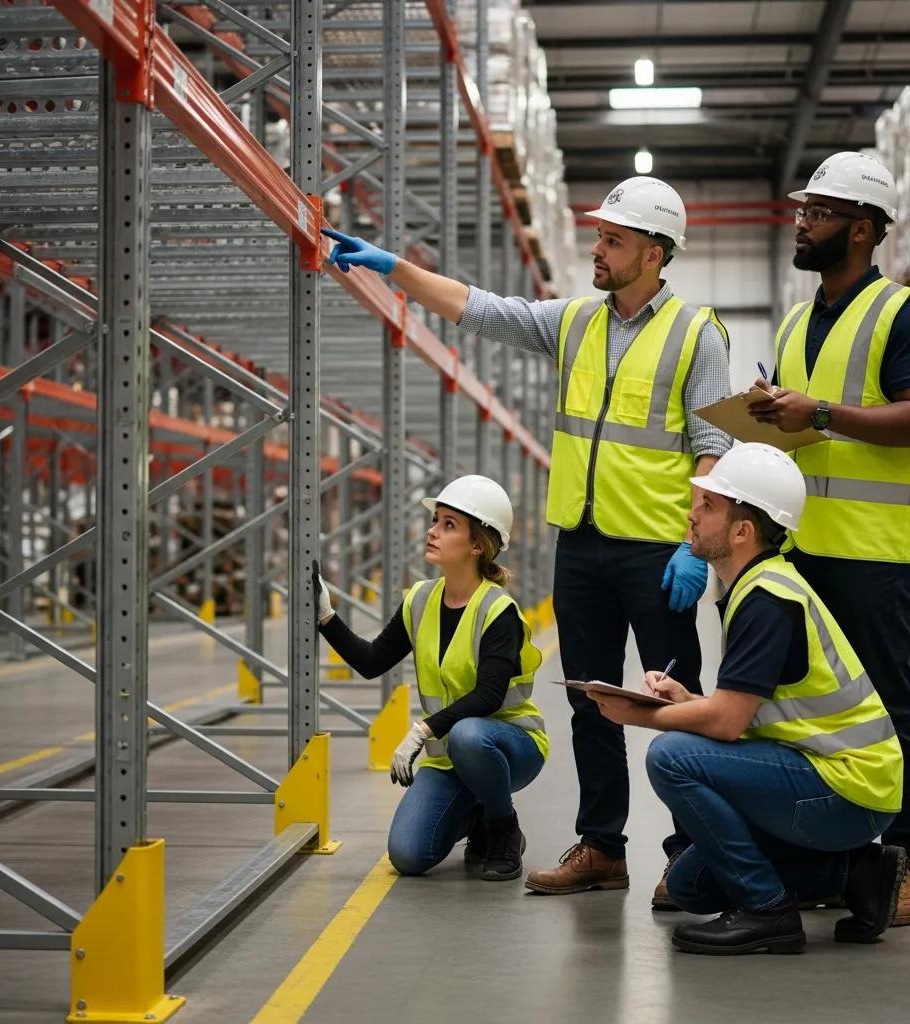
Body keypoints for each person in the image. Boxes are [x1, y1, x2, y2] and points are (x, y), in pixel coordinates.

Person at [322, 176, 732, 905]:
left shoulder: (697, 334)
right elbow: (481, 309)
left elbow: (711, 446)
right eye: (598, 235)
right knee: (592, 704)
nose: (597, 249)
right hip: (581, 546)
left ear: (654, 253)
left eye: (612, 240)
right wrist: (394, 268)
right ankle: (602, 848)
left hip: (656, 554)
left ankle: (692, 856)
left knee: (680, 707)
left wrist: (692, 546)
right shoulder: (574, 321)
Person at [588, 442, 905, 955]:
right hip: (831, 776)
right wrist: (686, 699)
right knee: (692, 885)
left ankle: (768, 911)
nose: (692, 515)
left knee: (670, 756)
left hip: (848, 789)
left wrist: (645, 716)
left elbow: (728, 724)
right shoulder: (757, 586)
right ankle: (857, 872)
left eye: (708, 505)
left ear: (741, 531)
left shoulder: (768, 600)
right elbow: (750, 711)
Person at [747, 152, 910, 925]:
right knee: (806, 712)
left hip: (879, 554)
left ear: (863, 229)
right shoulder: (793, 322)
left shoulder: (897, 313)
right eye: (802, 211)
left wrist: (816, 413)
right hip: (802, 554)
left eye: (817, 214)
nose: (802, 224)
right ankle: (821, 863)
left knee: (894, 712)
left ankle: (903, 864)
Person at [314, 475, 548, 881]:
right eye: (435, 520)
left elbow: (490, 695)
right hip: (450, 755)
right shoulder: (420, 599)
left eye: (448, 524)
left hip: (510, 746)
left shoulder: (498, 611)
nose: (432, 531)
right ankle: (476, 816)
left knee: (469, 734)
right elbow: (372, 661)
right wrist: (325, 616)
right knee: (408, 855)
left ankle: (503, 828)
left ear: (478, 545)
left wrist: (422, 730)